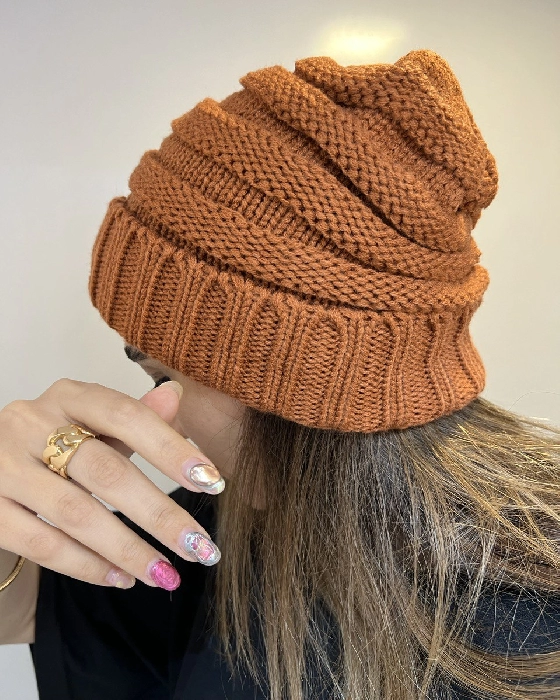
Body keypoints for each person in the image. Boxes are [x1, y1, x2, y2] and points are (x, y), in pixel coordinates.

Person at [0, 48, 559, 700]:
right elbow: (29, 617)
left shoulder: (532, 614)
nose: (164, 420)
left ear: (290, 383)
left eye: (161, 378)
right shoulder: (220, 532)